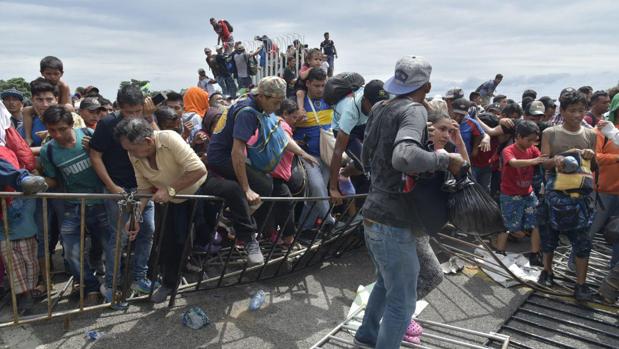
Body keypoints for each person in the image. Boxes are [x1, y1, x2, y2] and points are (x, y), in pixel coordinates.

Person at [355, 56, 465, 349]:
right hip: (394, 219)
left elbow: (365, 155)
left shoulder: (380, 107)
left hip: (373, 212)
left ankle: (367, 333)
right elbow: (403, 157)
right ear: (427, 86)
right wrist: (445, 159)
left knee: (384, 282)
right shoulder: (414, 110)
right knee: (402, 304)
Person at [114, 116, 207, 303]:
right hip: (174, 200)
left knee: (202, 236)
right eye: (127, 150)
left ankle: (205, 272)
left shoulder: (169, 138)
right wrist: (135, 218)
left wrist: (169, 190)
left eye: (132, 149)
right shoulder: (134, 153)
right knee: (169, 243)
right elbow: (143, 189)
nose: (129, 153)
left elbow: (198, 169)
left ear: (148, 141)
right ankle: (169, 284)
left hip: (200, 193)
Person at [207, 77, 289, 264]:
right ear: (262, 96)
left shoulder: (252, 102)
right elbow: (237, 152)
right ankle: (247, 235)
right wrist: (246, 188)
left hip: (227, 154)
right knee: (261, 186)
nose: (277, 108)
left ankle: (234, 218)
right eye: (275, 103)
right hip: (222, 158)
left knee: (266, 184)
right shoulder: (248, 112)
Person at [89, 85, 157, 303]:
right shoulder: (108, 123)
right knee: (119, 236)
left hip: (143, 188)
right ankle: (111, 283)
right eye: (129, 112)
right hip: (117, 188)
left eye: (138, 111)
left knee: (147, 229)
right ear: (119, 107)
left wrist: (148, 116)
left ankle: (140, 277)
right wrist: (111, 186)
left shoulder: (145, 121)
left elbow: (157, 144)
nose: (133, 117)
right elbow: (95, 156)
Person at [39, 105, 112, 304]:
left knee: (109, 246)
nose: (57, 134)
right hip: (73, 206)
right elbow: (53, 179)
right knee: (71, 251)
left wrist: (95, 153)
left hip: (101, 203)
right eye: (52, 130)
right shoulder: (49, 151)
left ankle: (112, 284)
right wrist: (38, 181)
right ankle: (90, 286)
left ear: (72, 124)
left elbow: (112, 162)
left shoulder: (89, 135)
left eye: (62, 129)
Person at [538, 90, 596, 301]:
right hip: (553, 193)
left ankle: (581, 284)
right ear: (562, 111)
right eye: (572, 111)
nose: (578, 115)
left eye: (581, 110)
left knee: (582, 241)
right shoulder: (550, 133)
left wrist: (590, 155)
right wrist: (557, 160)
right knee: (549, 235)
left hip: (579, 197)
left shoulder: (590, 134)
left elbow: (593, 167)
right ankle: (547, 271)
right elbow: (543, 161)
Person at [329, 79, 389, 203]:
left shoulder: (389, 95)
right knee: (365, 163)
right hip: (345, 128)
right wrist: (333, 188)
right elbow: (337, 152)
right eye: (374, 105)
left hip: (364, 122)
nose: (378, 108)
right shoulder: (350, 111)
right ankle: (342, 175)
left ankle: (345, 173)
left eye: (381, 105)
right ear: (365, 100)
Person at [494, 121, 545, 266]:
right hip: (510, 195)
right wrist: (533, 161)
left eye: (533, 140)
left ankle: (535, 253)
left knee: (535, 223)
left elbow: (542, 159)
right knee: (506, 225)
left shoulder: (533, 149)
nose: (531, 143)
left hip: (527, 193)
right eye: (528, 140)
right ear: (518, 137)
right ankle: (500, 252)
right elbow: (514, 163)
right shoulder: (508, 150)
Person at [292, 68, 336, 231]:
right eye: (316, 85)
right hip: (308, 155)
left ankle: (304, 228)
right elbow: (286, 125)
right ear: (308, 84)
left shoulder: (330, 100)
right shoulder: (297, 103)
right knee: (318, 187)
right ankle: (330, 221)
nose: (320, 89)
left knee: (317, 195)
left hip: (326, 154)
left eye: (323, 85)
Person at [295, 49, 323, 114]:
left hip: (311, 88)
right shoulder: (305, 67)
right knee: (300, 94)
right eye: (316, 59)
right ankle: (301, 109)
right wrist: (309, 69)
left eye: (320, 60)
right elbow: (302, 76)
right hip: (302, 86)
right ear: (308, 61)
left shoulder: (320, 69)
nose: (318, 62)